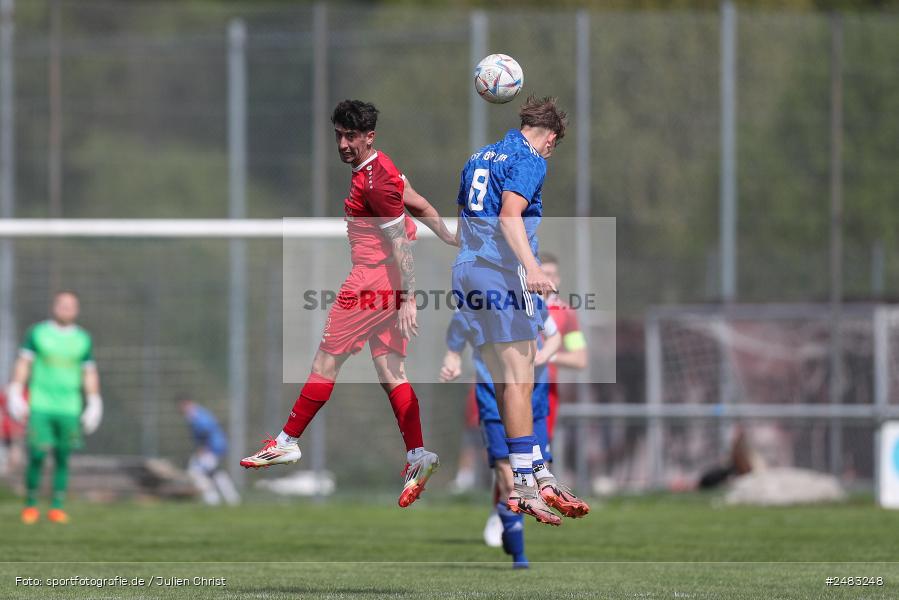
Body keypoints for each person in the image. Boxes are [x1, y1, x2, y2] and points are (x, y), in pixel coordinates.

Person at [241, 99, 455, 508]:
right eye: (338, 135)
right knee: (391, 369)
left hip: (371, 282)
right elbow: (420, 203)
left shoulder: (374, 183)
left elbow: (397, 244)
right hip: (387, 283)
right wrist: (448, 237)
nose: (342, 143)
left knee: (325, 362)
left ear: (369, 137)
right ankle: (418, 454)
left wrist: (409, 299)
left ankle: (287, 442)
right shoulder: (384, 168)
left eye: (351, 136)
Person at [450, 95, 575, 525]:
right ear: (551, 138)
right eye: (553, 146)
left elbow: (465, 214)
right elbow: (509, 217)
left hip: (466, 273)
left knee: (507, 379)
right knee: (523, 380)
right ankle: (525, 481)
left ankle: (534, 469)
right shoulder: (531, 158)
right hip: (499, 272)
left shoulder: (478, 156)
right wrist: (533, 267)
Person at [441, 303, 588, 567]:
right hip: (493, 402)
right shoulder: (476, 298)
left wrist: (543, 355)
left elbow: (568, 348)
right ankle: (518, 553)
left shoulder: (551, 307)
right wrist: (452, 357)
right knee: (509, 479)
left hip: (537, 403)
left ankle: (509, 517)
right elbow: (457, 329)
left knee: (533, 476)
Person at [5, 291, 103, 524]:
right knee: (37, 453)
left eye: (71, 306)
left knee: (63, 455)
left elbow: (88, 371)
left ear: (77, 310)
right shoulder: (38, 333)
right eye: (62, 305)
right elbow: (23, 362)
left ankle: (56, 507)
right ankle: (30, 505)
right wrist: (16, 390)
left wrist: (94, 401)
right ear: (54, 307)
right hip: (41, 404)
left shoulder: (83, 339)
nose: (66, 309)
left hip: (69, 407)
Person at [538, 253, 588, 440]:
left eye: (552, 274)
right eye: (544, 273)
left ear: (558, 279)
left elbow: (580, 359)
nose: (548, 279)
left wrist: (547, 356)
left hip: (545, 390)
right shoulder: (515, 306)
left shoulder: (566, 313)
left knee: (541, 454)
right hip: (513, 384)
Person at [178, 396, 240, 506]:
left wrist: (202, 447)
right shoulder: (199, 412)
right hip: (215, 446)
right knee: (215, 473)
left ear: (187, 403)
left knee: (196, 471)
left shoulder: (196, 414)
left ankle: (212, 499)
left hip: (211, 448)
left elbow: (206, 430)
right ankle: (231, 498)